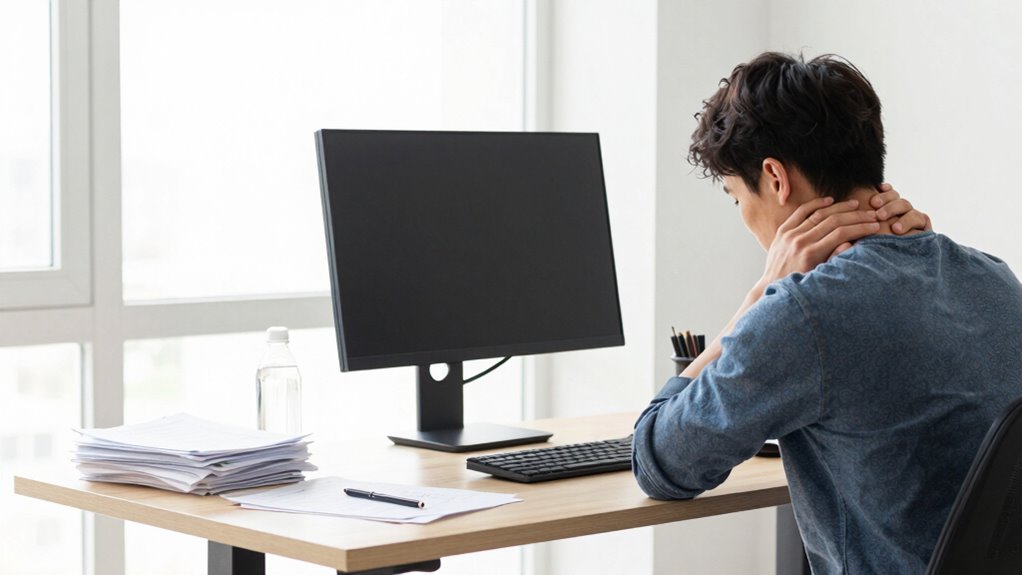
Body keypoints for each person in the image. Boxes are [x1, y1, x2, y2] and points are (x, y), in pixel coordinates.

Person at [632, 52, 1022, 574]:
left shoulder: (805, 313)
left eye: (736, 198)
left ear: (775, 177)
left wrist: (762, 292)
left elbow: (659, 462)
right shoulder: (993, 277)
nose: (744, 217)